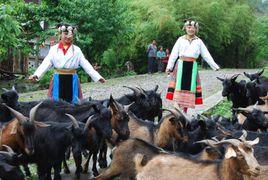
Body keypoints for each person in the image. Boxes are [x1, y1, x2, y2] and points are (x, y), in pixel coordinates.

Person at [28, 23, 106, 104]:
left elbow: (86, 64)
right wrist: (36, 74)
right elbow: (45, 63)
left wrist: (97, 77)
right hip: (57, 80)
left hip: (73, 80)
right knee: (56, 105)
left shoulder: (77, 50)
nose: (68, 37)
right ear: (60, 34)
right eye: (65, 34)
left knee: (74, 105)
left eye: (70, 34)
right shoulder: (54, 49)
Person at [165, 19, 220, 113]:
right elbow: (174, 53)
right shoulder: (180, 40)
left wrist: (214, 66)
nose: (191, 29)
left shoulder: (198, 41)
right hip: (180, 66)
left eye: (193, 28)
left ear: (196, 29)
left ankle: (184, 111)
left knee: (189, 88)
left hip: (192, 68)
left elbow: (206, 54)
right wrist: (169, 67)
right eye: (189, 27)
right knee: (178, 87)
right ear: (185, 28)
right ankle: (176, 109)